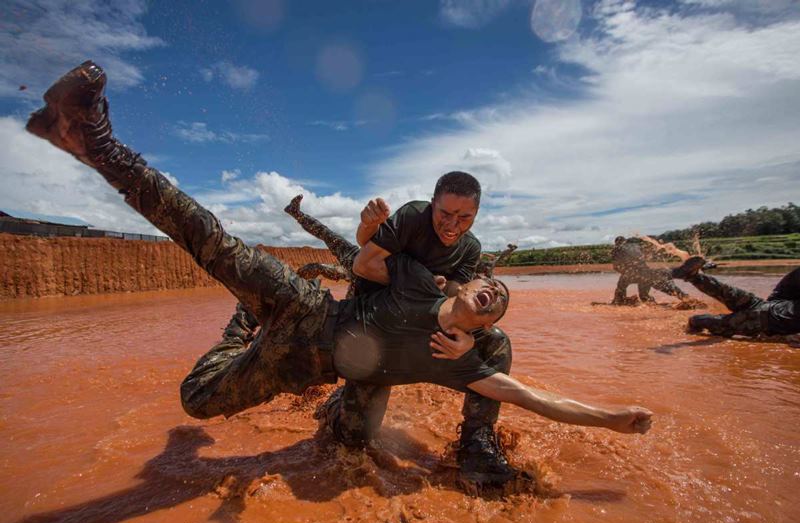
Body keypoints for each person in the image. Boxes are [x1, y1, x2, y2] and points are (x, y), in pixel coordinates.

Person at [27, 62, 653, 478]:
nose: (457, 230)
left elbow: (538, 398)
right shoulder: (412, 268)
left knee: (199, 403)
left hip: (317, 361)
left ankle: (471, 444)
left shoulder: (464, 351)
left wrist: (613, 420)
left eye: (492, 296)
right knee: (217, 245)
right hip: (315, 312)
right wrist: (360, 232)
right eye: (488, 289)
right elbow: (366, 261)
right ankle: (93, 139)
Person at [328, 173, 520, 486]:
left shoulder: (470, 248)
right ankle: (334, 404)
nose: (452, 226)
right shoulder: (412, 217)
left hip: (424, 324)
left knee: (495, 343)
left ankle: (476, 443)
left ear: (477, 214)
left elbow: (457, 298)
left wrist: (467, 339)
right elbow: (363, 264)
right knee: (352, 438)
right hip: (379, 323)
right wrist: (417, 285)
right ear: (432, 205)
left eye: (464, 217)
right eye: (445, 214)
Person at [672, 258, 799, 337]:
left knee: (725, 291)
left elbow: (788, 285)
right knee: (714, 322)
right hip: (759, 320)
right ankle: (694, 322)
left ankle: (692, 276)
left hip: (761, 305)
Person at [611, 236, 693, 305]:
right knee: (662, 288)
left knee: (621, 287)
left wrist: (626, 273)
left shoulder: (616, 249)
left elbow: (616, 267)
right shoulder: (635, 245)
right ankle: (686, 298)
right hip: (646, 272)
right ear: (625, 241)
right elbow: (646, 255)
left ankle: (620, 301)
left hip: (631, 273)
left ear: (616, 243)